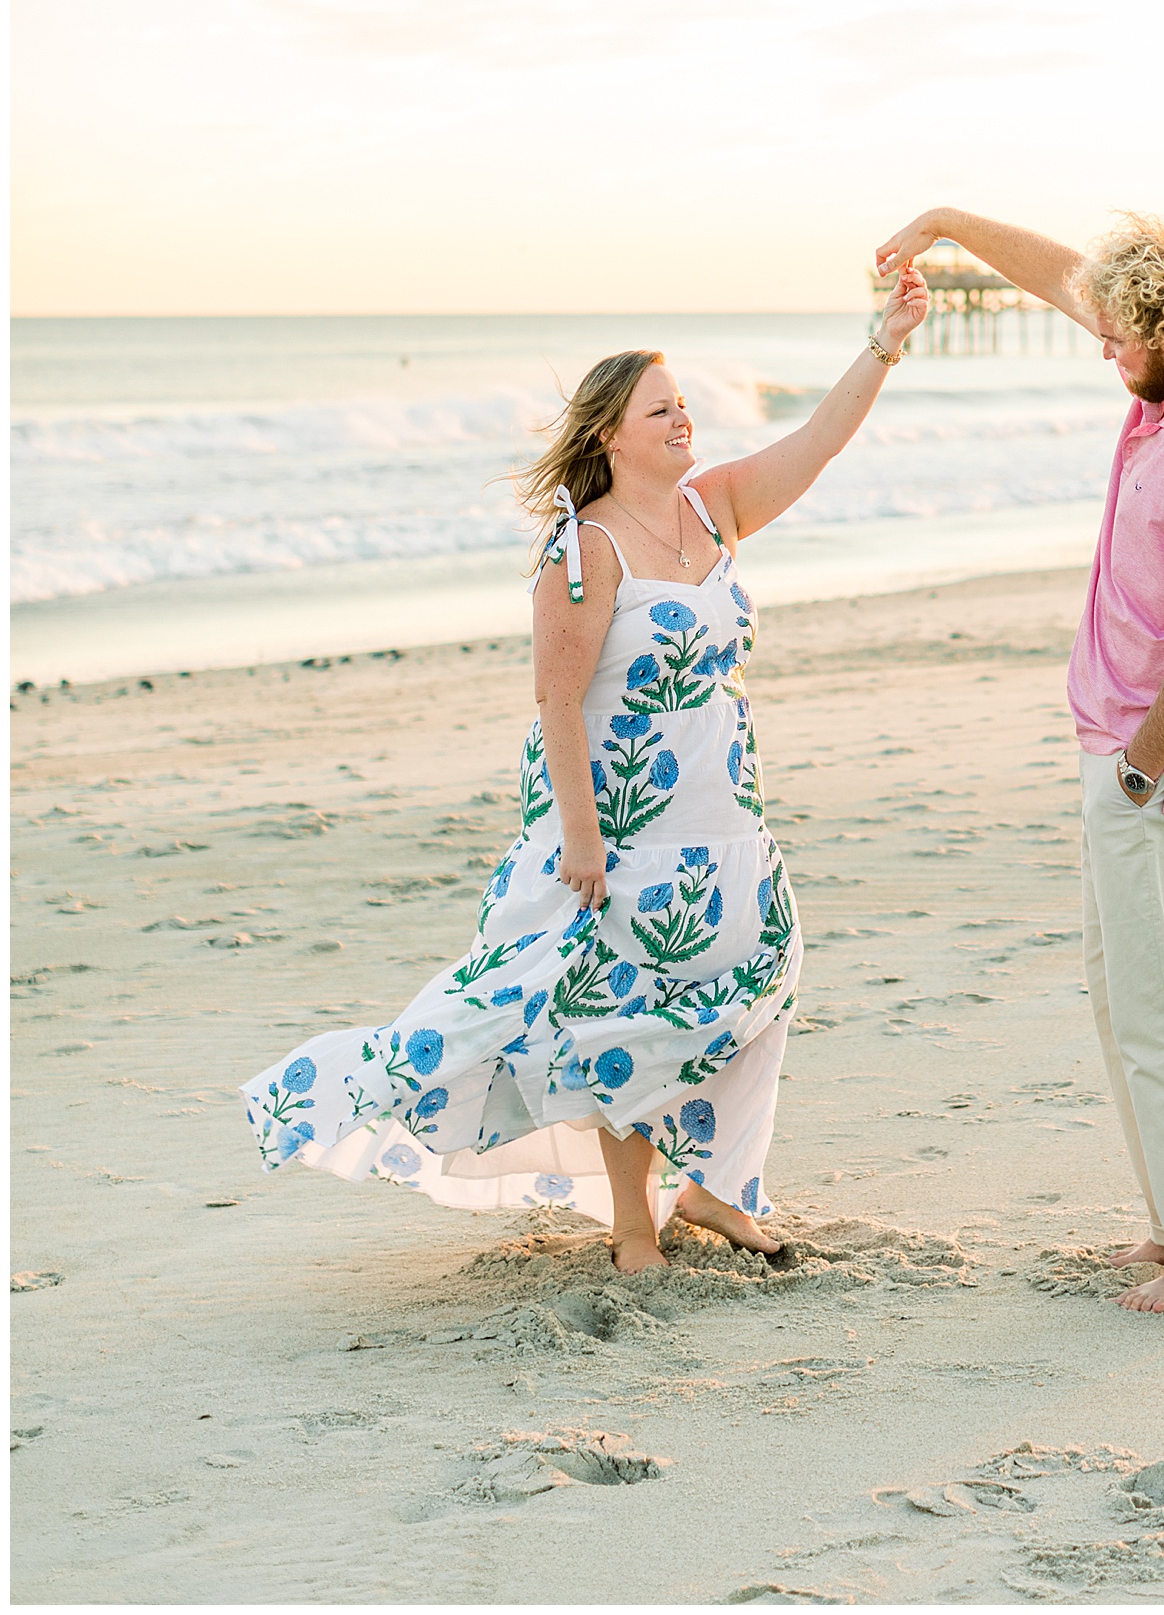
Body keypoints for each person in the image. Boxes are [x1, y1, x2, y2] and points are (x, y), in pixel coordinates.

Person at [241, 267, 929, 1271]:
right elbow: (556, 700)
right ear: (610, 433)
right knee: (627, 1012)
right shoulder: (587, 546)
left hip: (725, 803)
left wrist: (885, 340)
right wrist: (583, 837)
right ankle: (633, 1225)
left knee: (750, 984)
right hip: (627, 813)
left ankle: (711, 1188)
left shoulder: (715, 507)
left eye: (684, 403)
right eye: (662, 409)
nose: (684, 419)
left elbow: (819, 439)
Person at [876, 207, 1164, 1315]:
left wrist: (1140, 770)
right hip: (1128, 750)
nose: (1101, 349)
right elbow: (1067, 277)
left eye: (1115, 338)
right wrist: (948, 223)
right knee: (1127, 1000)